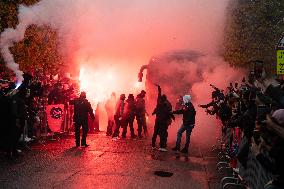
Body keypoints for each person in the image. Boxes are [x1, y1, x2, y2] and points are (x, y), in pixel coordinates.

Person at [152, 85, 175, 152]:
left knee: (156, 132)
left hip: (158, 120)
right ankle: (162, 146)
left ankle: (153, 145)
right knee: (163, 134)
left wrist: (159, 89)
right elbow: (169, 112)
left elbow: (159, 95)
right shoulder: (167, 104)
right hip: (164, 121)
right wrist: (172, 117)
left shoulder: (159, 103)